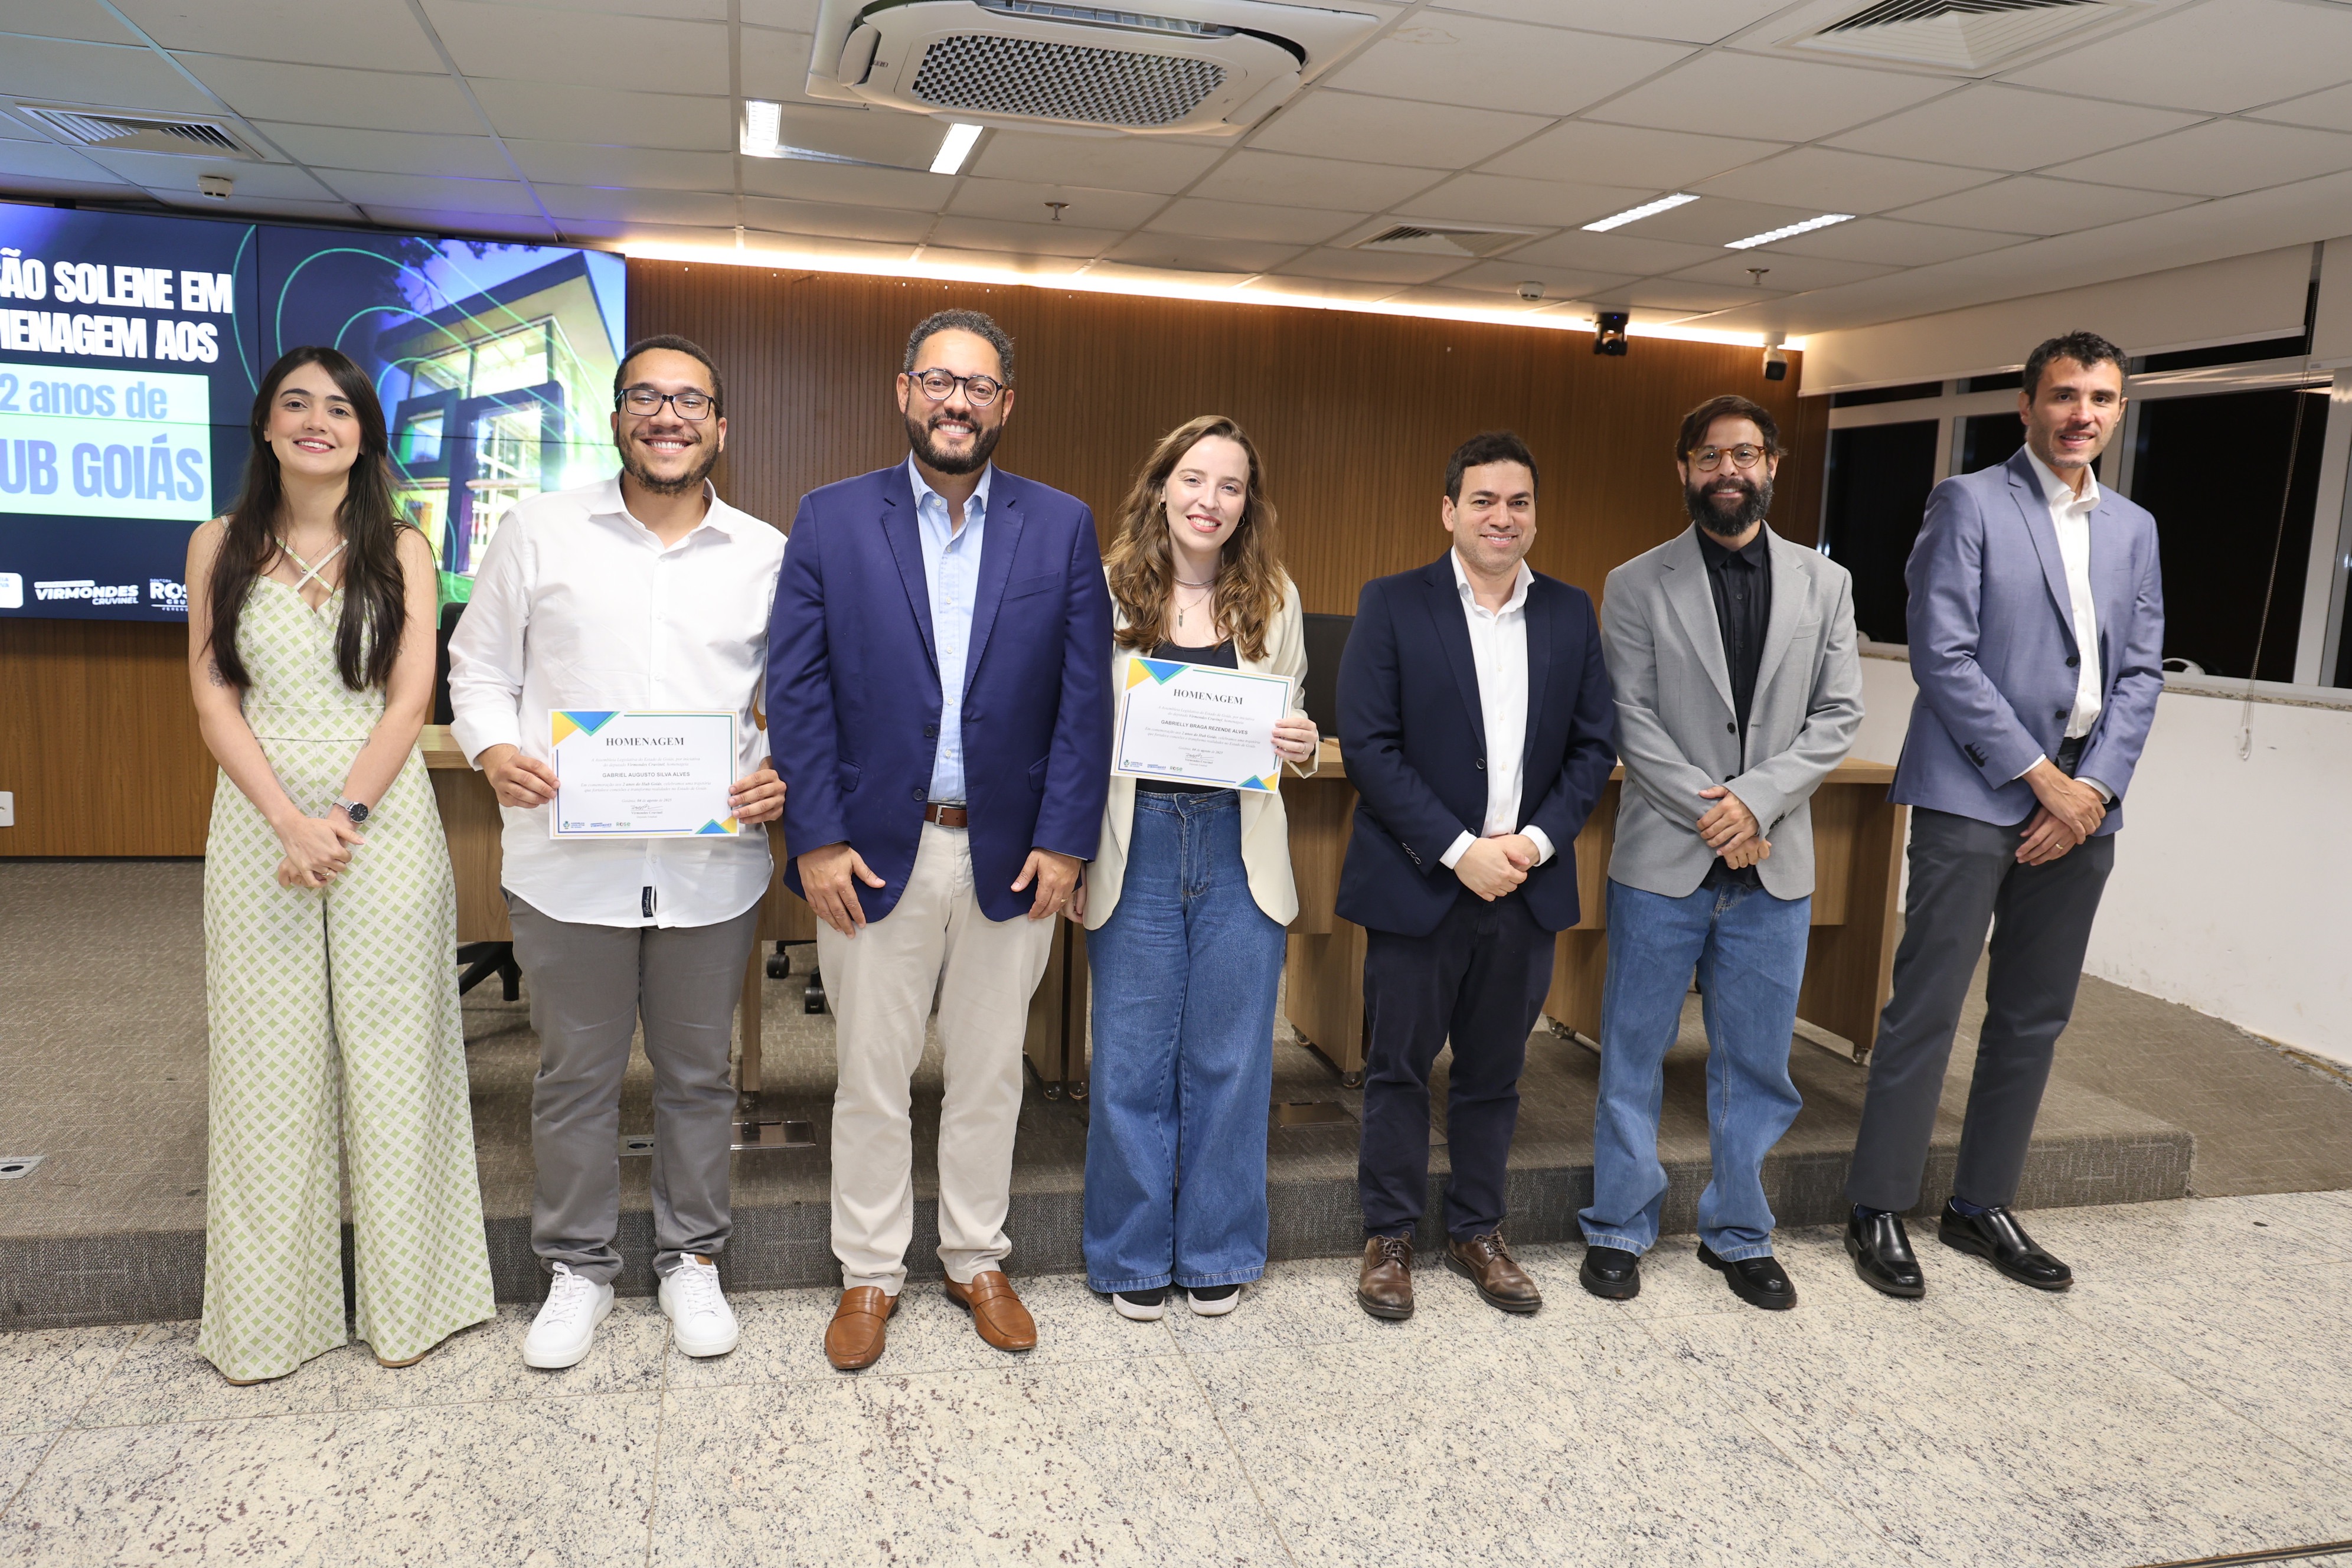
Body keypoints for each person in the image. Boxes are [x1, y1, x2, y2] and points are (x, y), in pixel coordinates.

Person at [767, 309, 1112, 1371]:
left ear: (1006, 403)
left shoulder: (1061, 526)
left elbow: (1084, 702)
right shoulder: (830, 519)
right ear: (904, 392)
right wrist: (816, 839)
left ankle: (975, 1258)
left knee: (990, 1073)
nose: (957, 402)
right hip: (872, 852)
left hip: (1012, 855)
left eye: (978, 385)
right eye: (938, 381)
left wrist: (1067, 841)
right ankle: (870, 1271)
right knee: (870, 1076)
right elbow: (798, 691)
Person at [448, 334, 788, 1368]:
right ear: (616, 419)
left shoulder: (767, 554)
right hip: (568, 867)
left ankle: (692, 1258)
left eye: (690, 400)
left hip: (710, 870)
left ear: (720, 426)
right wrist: (494, 749)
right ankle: (579, 1269)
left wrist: (782, 770)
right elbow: (477, 669)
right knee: (574, 1079)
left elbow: (795, 699)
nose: (668, 416)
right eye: (646, 396)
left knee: (699, 1078)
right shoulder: (538, 532)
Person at [185, 347, 495, 1384]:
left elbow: (410, 698)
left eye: (340, 408)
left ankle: (415, 1308)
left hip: (384, 825)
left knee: (400, 1064)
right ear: (267, 427)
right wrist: (289, 821)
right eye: (296, 404)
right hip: (259, 833)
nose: (318, 422)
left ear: (365, 434)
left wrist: (343, 815)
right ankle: (271, 1324)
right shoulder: (218, 543)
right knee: (266, 1072)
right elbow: (213, 698)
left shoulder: (401, 548)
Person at [1846, 330, 2164, 1298]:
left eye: (2100, 399)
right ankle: (1878, 1206)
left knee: (2033, 1017)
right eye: (2064, 395)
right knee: (1928, 1008)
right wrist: (2041, 780)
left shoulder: (2134, 527)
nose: (2081, 415)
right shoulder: (1970, 501)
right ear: (2027, 405)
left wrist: (2091, 791)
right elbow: (1942, 656)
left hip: (2084, 808)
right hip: (1973, 795)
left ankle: (1980, 1204)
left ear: (2118, 411)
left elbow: (2141, 675)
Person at [1577, 395, 1863, 1311]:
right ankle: (1619, 1225)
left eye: (1745, 454)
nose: (1727, 470)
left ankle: (1739, 1232)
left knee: (1758, 1065)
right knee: (1633, 1052)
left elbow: (1839, 716)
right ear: (1685, 469)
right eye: (1709, 455)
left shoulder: (1827, 584)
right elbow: (1630, 716)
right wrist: (1720, 812)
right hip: (1665, 858)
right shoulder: (1635, 582)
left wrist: (1757, 802)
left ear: (1772, 465)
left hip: (1773, 865)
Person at [1336, 430, 1616, 1321]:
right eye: (1485, 501)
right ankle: (1389, 1236)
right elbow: (1369, 748)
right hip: (1421, 881)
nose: (1504, 517)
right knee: (1398, 1068)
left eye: (1519, 502)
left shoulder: (1569, 611)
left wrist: (1531, 844)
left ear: (1535, 516)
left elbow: (1594, 747)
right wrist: (1463, 851)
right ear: (1449, 511)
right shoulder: (1393, 603)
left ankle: (1478, 1231)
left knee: (1496, 1072)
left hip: (1526, 885)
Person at [1074, 416, 1320, 1322]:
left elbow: (1293, 721)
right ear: (1161, 487)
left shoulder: (1276, 599)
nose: (1209, 501)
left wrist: (1301, 742)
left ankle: (1218, 1247)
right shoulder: (1104, 590)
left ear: (1248, 504)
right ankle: (1131, 1253)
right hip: (1133, 841)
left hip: (1236, 843)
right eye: (1193, 479)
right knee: (1131, 1060)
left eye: (1230, 486)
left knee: (1232, 1057)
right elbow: (1072, 729)